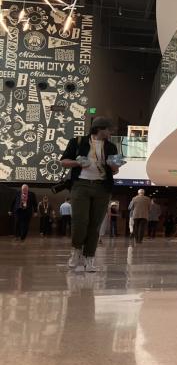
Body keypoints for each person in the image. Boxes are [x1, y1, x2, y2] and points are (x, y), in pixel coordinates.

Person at [60, 116, 125, 272]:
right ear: (99, 129)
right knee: (80, 221)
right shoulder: (77, 141)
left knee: (95, 225)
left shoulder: (111, 147)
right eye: (109, 130)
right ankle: (76, 252)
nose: (110, 133)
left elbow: (115, 170)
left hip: (102, 187)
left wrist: (114, 166)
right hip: (80, 185)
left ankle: (89, 258)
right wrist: (78, 162)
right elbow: (63, 162)